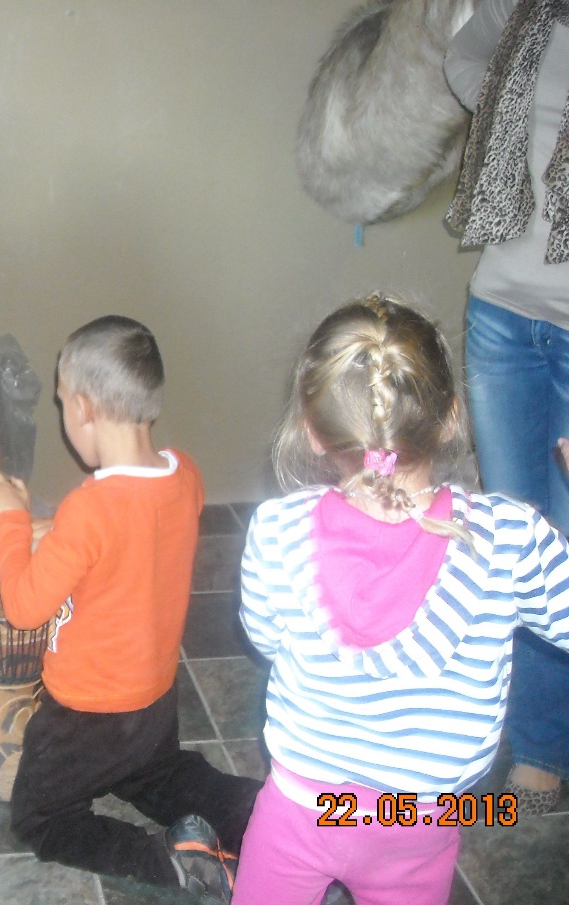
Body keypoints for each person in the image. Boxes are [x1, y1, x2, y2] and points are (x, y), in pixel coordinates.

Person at [233, 294, 569, 905]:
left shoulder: (275, 530)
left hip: (303, 811)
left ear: (313, 431)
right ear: (450, 417)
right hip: (420, 821)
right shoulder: (509, 539)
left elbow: (264, 635)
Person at [0, 315, 259, 900]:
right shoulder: (185, 474)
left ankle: (168, 860)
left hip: (85, 714)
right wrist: (53, 528)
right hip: (153, 700)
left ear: (86, 408)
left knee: (41, 821)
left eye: (62, 400)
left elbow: (23, 607)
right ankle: (268, 820)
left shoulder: (89, 509)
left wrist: (12, 520)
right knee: (160, 776)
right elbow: (130, 536)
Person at [444, 0, 569, 816]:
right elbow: (463, 72)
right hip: (500, 312)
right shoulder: (530, 14)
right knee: (519, 539)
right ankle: (539, 747)